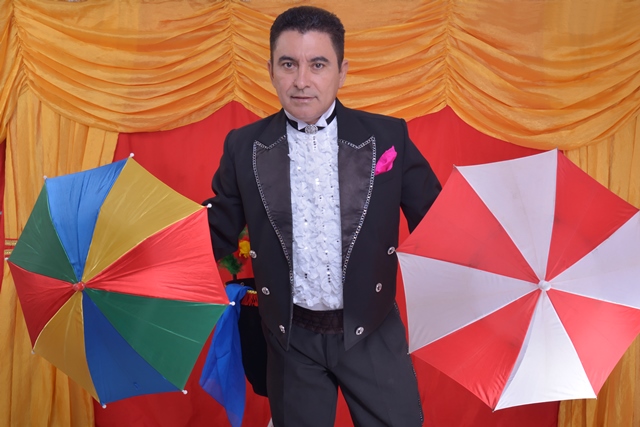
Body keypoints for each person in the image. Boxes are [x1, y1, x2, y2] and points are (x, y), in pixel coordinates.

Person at [205, 6, 441, 427]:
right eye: (288, 64)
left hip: (371, 328)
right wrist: (151, 256)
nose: (301, 80)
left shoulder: (388, 136)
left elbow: (441, 224)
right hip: (290, 337)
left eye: (317, 64)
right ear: (270, 70)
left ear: (341, 71)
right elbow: (215, 230)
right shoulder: (244, 147)